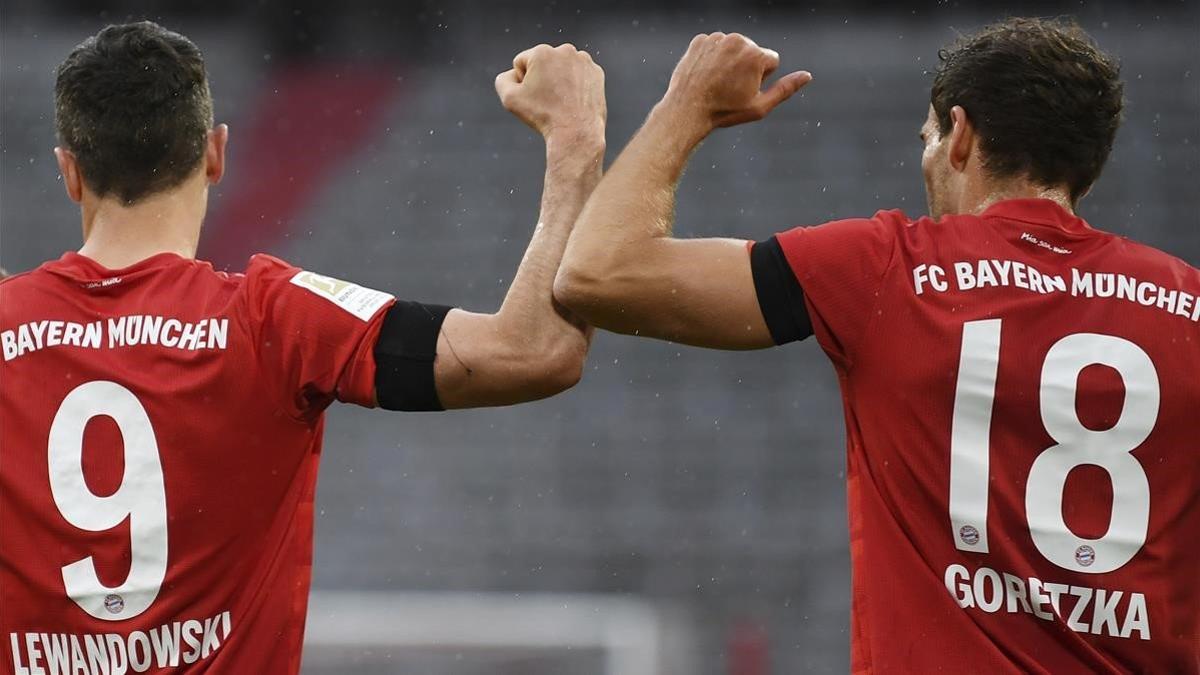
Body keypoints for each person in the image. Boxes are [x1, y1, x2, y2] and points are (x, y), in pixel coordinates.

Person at [555, 18, 1198, 674]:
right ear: (1084, 170)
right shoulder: (1189, 306)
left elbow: (597, 273)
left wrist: (685, 107)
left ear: (961, 136)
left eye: (928, 138)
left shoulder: (890, 268)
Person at [0, 21, 604, 674]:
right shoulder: (271, 314)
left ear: (68, 170)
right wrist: (575, 147)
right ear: (214, 154)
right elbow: (535, 350)